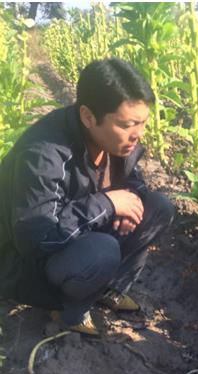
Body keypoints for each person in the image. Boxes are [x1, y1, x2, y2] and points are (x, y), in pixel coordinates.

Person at [0, 58, 175, 335]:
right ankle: (70, 312)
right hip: (27, 265)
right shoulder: (44, 153)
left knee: (158, 208)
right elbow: (36, 239)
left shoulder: (114, 142)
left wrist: (129, 202)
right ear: (88, 117)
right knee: (102, 250)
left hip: (78, 233)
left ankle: (109, 290)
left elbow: (134, 182)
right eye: (128, 124)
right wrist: (107, 204)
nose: (137, 135)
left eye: (142, 124)